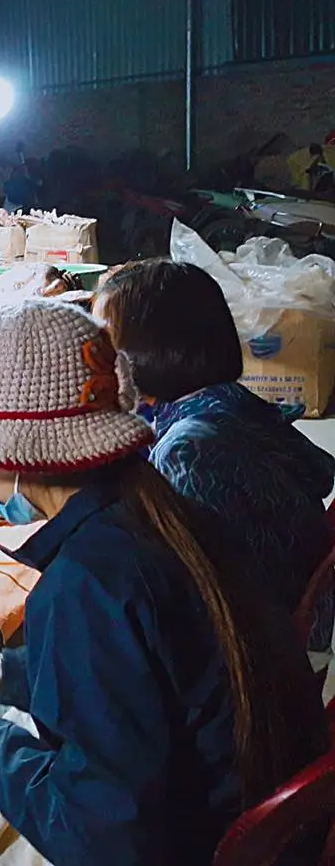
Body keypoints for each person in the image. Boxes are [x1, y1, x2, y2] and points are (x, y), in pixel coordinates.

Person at [0, 300, 325, 865]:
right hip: (243, 797)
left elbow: (104, 841)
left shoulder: (87, 585)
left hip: (191, 845)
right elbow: (136, 682)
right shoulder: (166, 509)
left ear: (12, 455)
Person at [94, 258, 335, 647]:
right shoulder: (221, 399)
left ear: (151, 347)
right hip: (291, 609)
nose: (93, 357)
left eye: (103, 341)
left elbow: (196, 592)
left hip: (268, 644)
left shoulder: (188, 450)